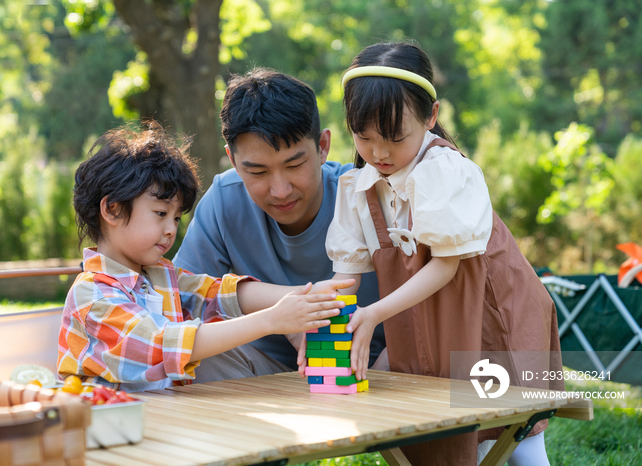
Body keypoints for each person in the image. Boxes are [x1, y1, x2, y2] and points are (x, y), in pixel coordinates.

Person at [325, 42, 564, 465]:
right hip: (424, 320)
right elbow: (345, 277)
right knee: (446, 436)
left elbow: (446, 267)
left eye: (394, 137)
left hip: (489, 310)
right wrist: (324, 326)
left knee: (516, 437)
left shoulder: (445, 170)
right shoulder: (357, 188)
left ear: (431, 116)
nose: (379, 153)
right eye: (364, 137)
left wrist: (375, 313)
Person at [57, 122, 353, 392]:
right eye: (160, 214)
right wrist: (272, 320)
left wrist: (305, 296)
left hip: (163, 424)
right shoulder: (93, 295)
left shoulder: (160, 276)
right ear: (112, 210)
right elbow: (161, 344)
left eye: (175, 219)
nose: (170, 230)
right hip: (110, 431)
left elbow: (218, 294)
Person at [174, 68, 386, 376]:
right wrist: (281, 316)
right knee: (189, 356)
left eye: (295, 164)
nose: (280, 190)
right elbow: (180, 296)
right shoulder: (224, 199)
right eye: (257, 172)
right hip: (260, 370)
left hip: (374, 368)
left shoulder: (367, 195)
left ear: (323, 147)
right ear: (233, 161)